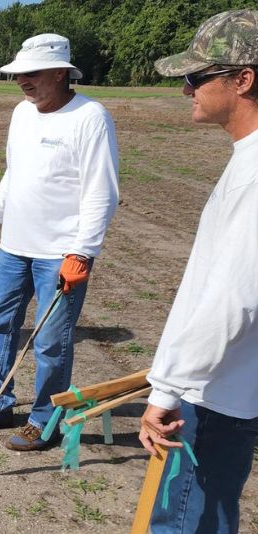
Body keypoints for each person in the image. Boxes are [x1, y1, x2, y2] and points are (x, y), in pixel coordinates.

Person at [0, 34, 119, 451]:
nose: (22, 82)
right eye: (18, 74)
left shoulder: (90, 117)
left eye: (32, 74)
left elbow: (102, 191)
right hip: (16, 245)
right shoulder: (22, 114)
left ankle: (46, 419)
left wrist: (83, 251)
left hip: (61, 254)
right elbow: (16, 173)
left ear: (61, 72)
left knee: (50, 341)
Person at [137, 10, 258, 533]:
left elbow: (234, 299)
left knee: (186, 521)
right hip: (225, 387)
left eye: (196, 77)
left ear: (243, 79)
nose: (187, 90)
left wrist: (168, 390)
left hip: (213, 396)